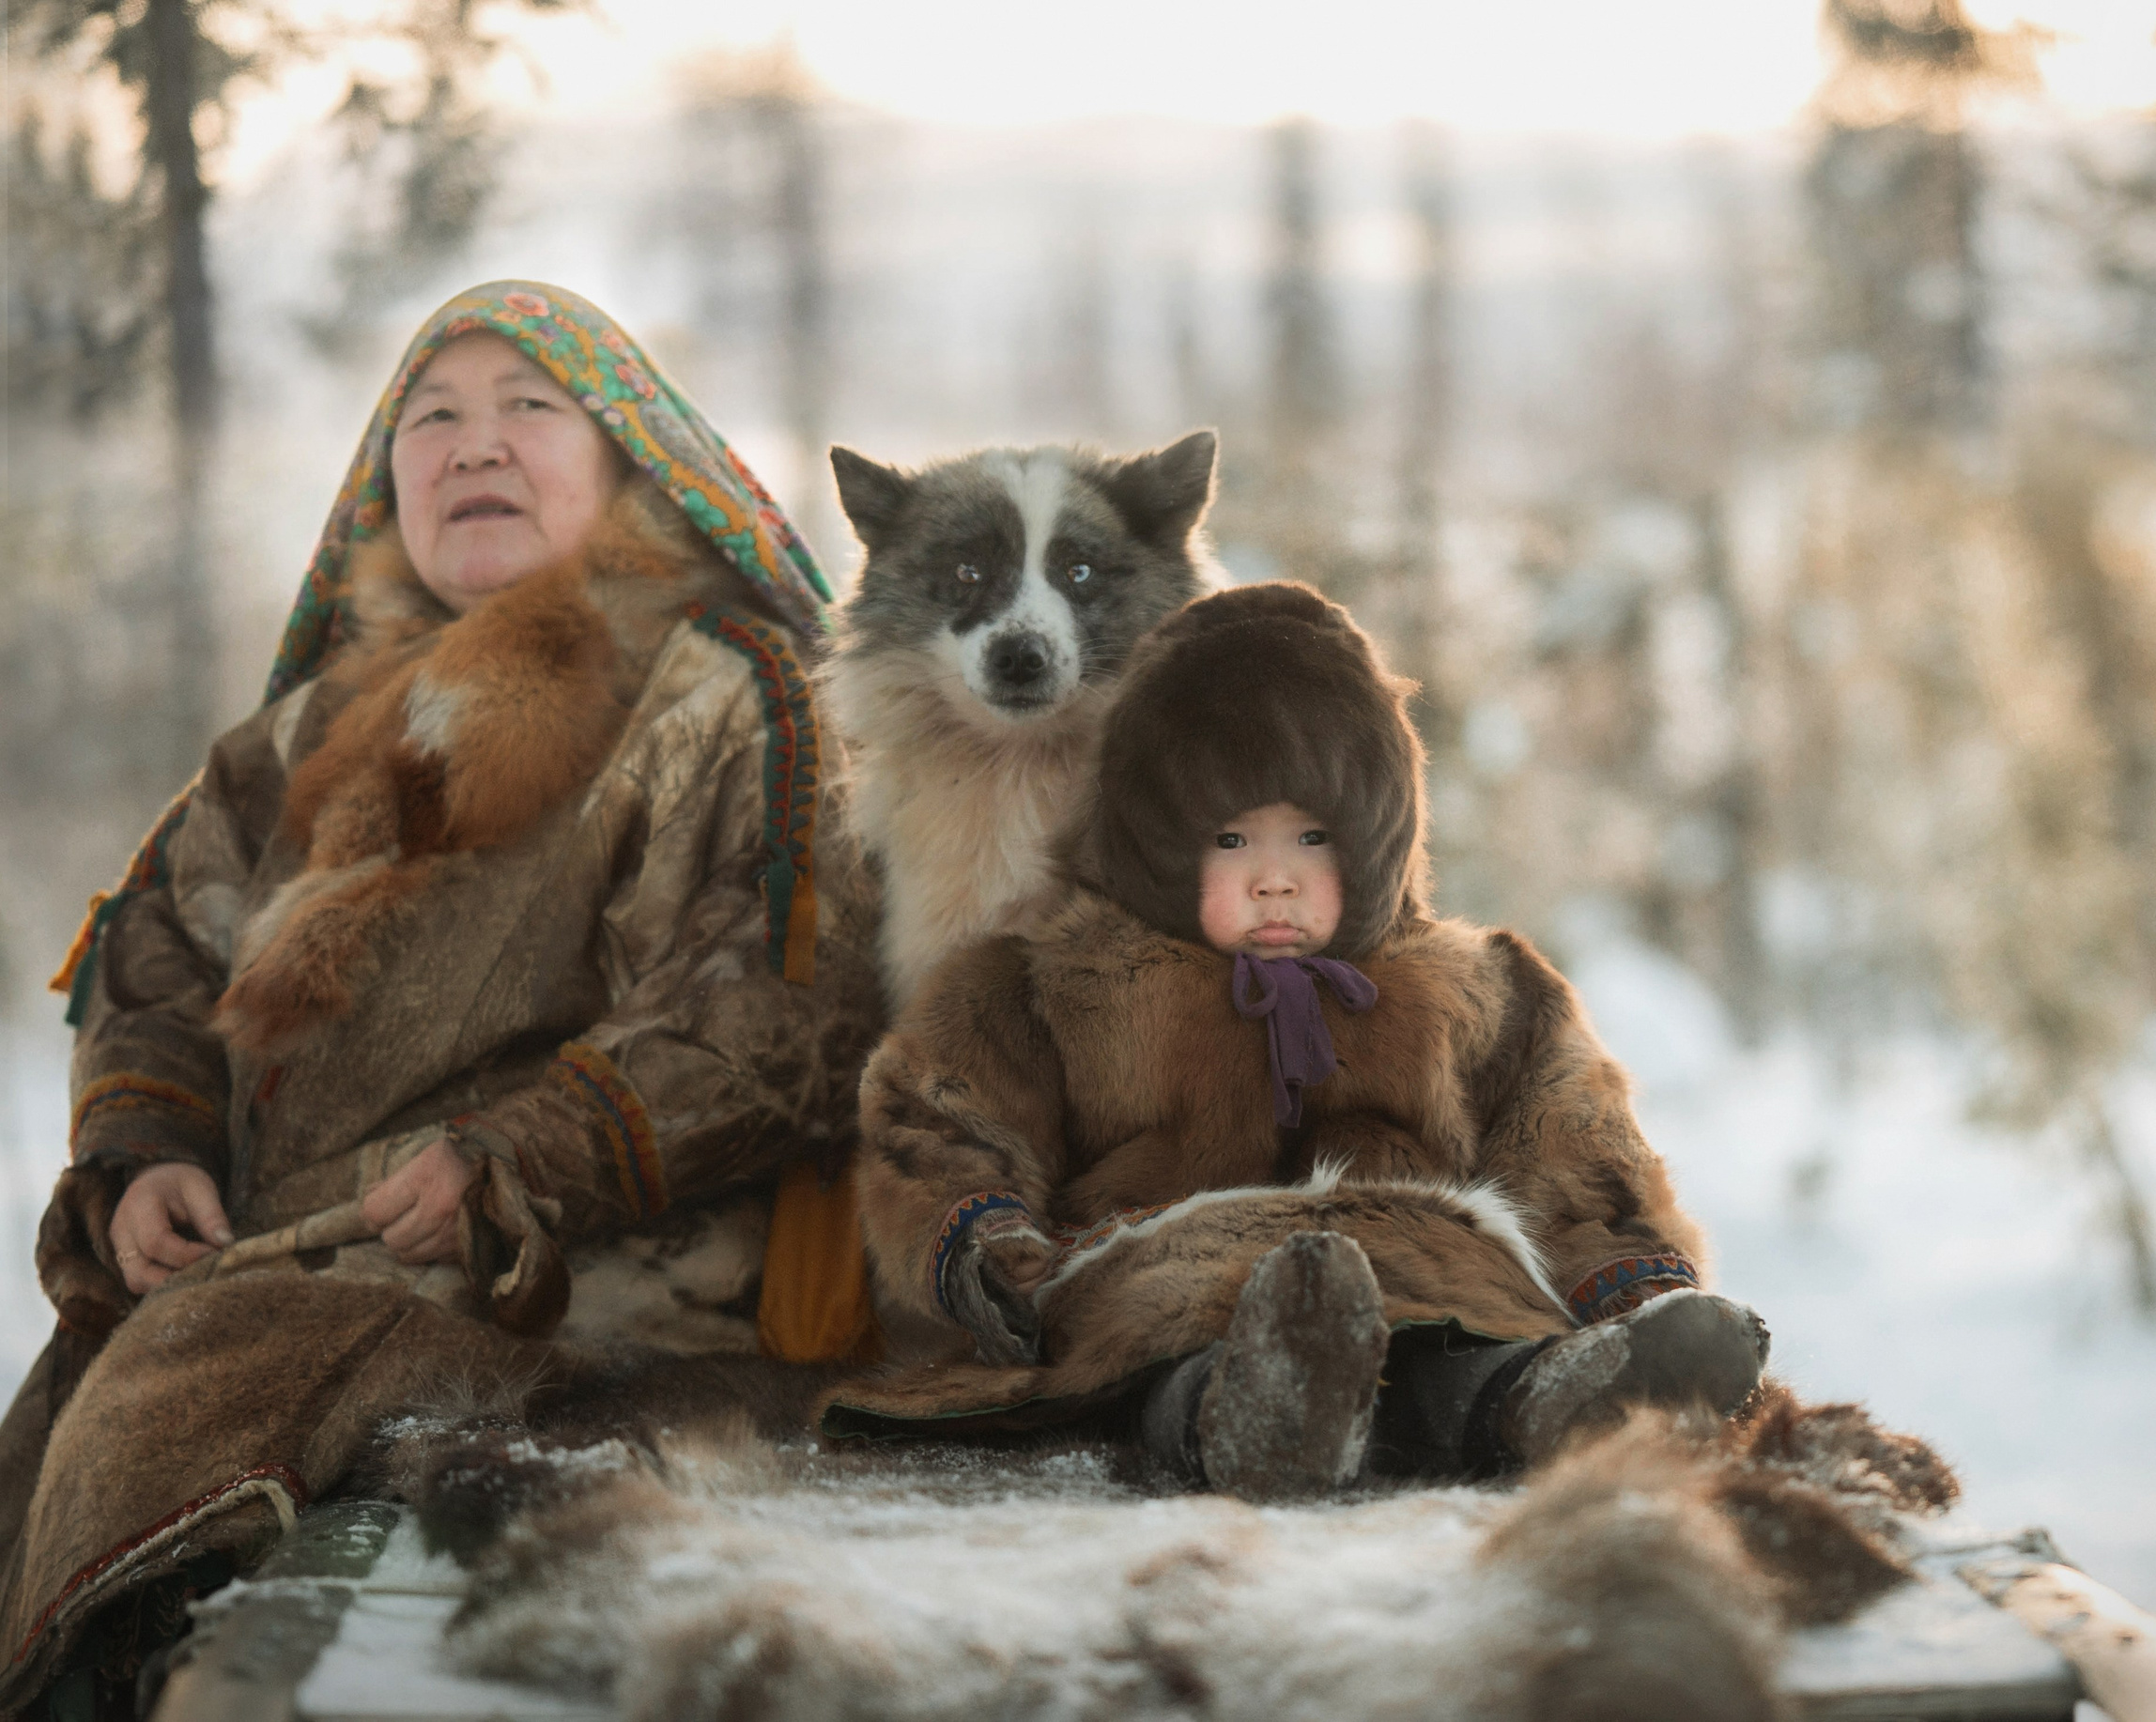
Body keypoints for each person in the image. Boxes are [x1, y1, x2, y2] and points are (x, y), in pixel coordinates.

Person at [0, 282, 886, 1709]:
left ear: (625, 460)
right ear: (385, 478)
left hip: (576, 1307)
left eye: (530, 409)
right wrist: (146, 1145)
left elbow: (789, 1009)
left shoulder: (727, 694)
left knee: (173, 1400)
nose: (475, 446)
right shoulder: (295, 733)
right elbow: (159, 939)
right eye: (432, 419)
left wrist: (519, 1156)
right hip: (277, 1280)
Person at [825, 582, 1769, 1499]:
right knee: (1168, 1365)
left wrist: (1626, 1280)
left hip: (1434, 1276)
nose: (1274, 879)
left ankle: (1554, 1395)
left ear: (1374, 838)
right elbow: (939, 1118)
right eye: (1231, 842)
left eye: (1311, 838)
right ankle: (1250, 1412)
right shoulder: (1045, 984)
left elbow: (1572, 1146)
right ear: (1154, 843)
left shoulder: (1482, 992)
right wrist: (986, 1243)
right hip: (1166, 1290)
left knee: (1463, 1349)